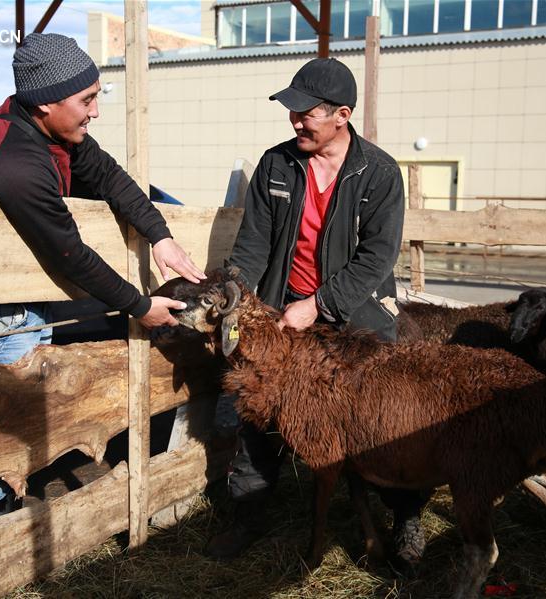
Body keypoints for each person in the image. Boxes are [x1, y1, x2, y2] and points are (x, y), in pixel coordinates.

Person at [0, 32, 204, 556]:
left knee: (20, 432)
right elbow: (70, 253)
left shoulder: (51, 133)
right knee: (13, 441)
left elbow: (110, 177)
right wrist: (140, 306)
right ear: (47, 102)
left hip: (25, 296)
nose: (95, 112)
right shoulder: (17, 164)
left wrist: (159, 235)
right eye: (86, 100)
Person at [206, 58, 427, 567]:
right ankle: (249, 515)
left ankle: (406, 518)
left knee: (383, 422)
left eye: (306, 113)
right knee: (260, 412)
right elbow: (254, 243)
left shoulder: (379, 174)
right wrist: (236, 291)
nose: (295, 121)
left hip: (356, 318)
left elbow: (377, 257)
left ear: (342, 115)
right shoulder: (276, 165)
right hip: (286, 314)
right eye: (292, 112)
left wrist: (321, 304)